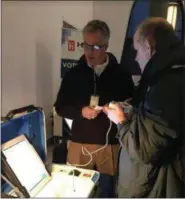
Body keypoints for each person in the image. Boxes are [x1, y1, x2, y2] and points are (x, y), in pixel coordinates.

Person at [104, 17, 185, 198]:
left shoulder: (167, 84)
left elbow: (145, 149)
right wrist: (134, 112)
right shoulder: (166, 76)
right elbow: (157, 127)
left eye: (137, 50)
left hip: (157, 186)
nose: (135, 57)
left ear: (149, 46)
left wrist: (120, 121)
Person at [54, 19, 134, 197]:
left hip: (110, 145)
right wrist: (80, 112)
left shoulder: (121, 74)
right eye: (86, 45)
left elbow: (132, 106)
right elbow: (60, 107)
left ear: (106, 46)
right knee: (76, 192)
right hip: (79, 144)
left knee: (108, 193)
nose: (89, 52)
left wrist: (120, 108)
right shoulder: (73, 74)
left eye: (96, 47)